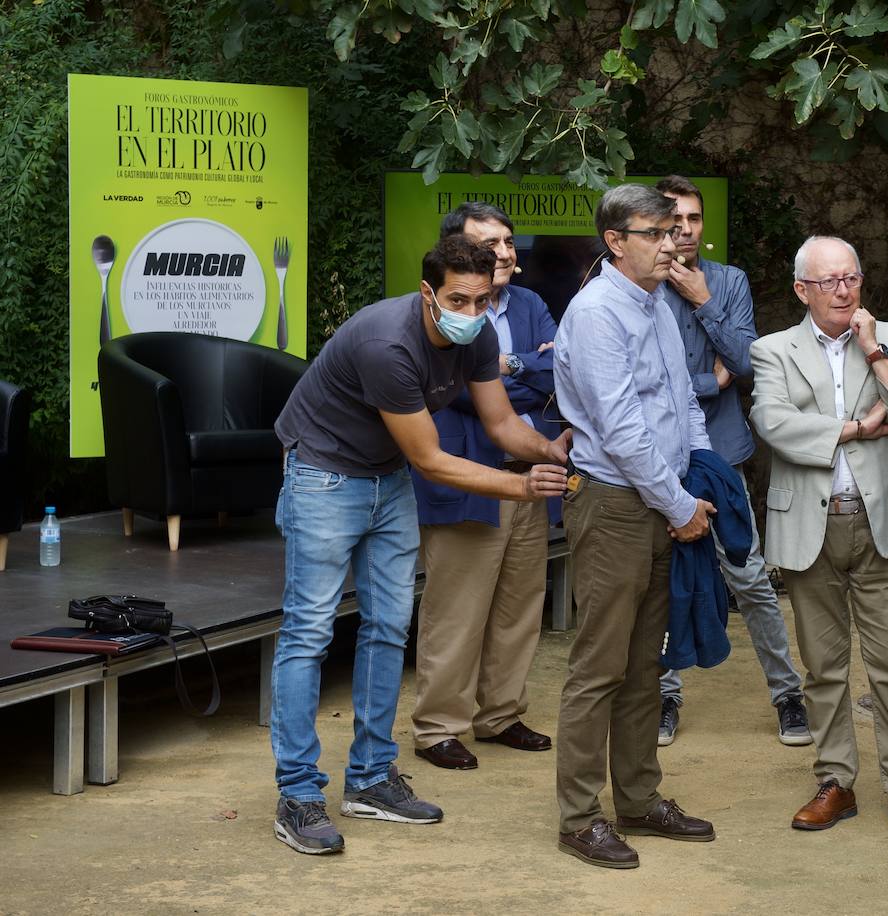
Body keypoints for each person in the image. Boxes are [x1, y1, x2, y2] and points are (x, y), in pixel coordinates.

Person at [269, 234, 570, 856]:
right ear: (428, 292)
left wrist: (554, 452)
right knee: (309, 632)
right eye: (457, 299)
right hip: (325, 474)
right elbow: (431, 459)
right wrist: (521, 487)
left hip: (386, 477)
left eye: (482, 300)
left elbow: (501, 424)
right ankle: (297, 793)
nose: (470, 313)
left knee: (388, 626)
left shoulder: (480, 332)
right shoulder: (388, 342)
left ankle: (372, 779)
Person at [749, 236, 888, 837]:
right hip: (810, 522)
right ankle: (835, 780)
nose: (843, 290)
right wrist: (856, 429)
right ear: (801, 290)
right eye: (829, 281)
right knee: (823, 665)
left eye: (851, 278)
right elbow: (771, 422)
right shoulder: (772, 349)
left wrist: (875, 351)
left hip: (880, 521)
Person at [552, 183, 717, 869]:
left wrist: (700, 473)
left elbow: (681, 401)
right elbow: (620, 429)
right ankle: (579, 818)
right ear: (616, 241)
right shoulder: (597, 313)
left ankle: (640, 801)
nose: (674, 242)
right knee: (600, 666)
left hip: (660, 498)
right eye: (657, 231)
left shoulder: (656, 304)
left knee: (646, 664)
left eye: (677, 230)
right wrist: (680, 506)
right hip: (617, 504)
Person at [651, 175, 809, 749]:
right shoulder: (637, 285)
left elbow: (746, 362)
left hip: (722, 454)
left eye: (694, 219)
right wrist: (704, 380)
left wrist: (703, 302)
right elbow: (648, 384)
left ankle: (788, 696)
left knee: (750, 576)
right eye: (675, 220)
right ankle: (664, 697)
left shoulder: (728, 282)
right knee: (663, 581)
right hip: (656, 458)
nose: (686, 230)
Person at [409, 203, 562, 771]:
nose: (501, 253)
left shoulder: (529, 304)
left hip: (529, 475)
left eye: (506, 242)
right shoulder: (441, 313)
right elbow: (456, 394)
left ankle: (501, 714)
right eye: (486, 244)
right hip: (469, 474)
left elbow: (556, 372)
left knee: (520, 606)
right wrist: (513, 377)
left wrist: (509, 368)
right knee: (458, 609)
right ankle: (439, 728)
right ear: (455, 254)